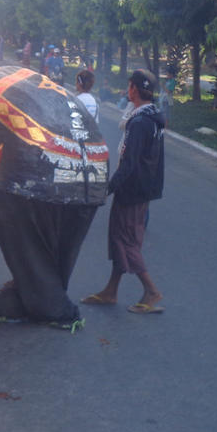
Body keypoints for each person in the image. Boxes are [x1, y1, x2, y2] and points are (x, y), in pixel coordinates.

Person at [81, 69, 166, 314]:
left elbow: (128, 163)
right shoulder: (153, 118)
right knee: (121, 237)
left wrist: (106, 189)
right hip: (144, 189)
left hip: (132, 190)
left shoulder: (138, 123)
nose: (127, 90)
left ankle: (151, 291)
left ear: (135, 90)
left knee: (126, 240)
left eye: (129, 86)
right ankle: (111, 290)